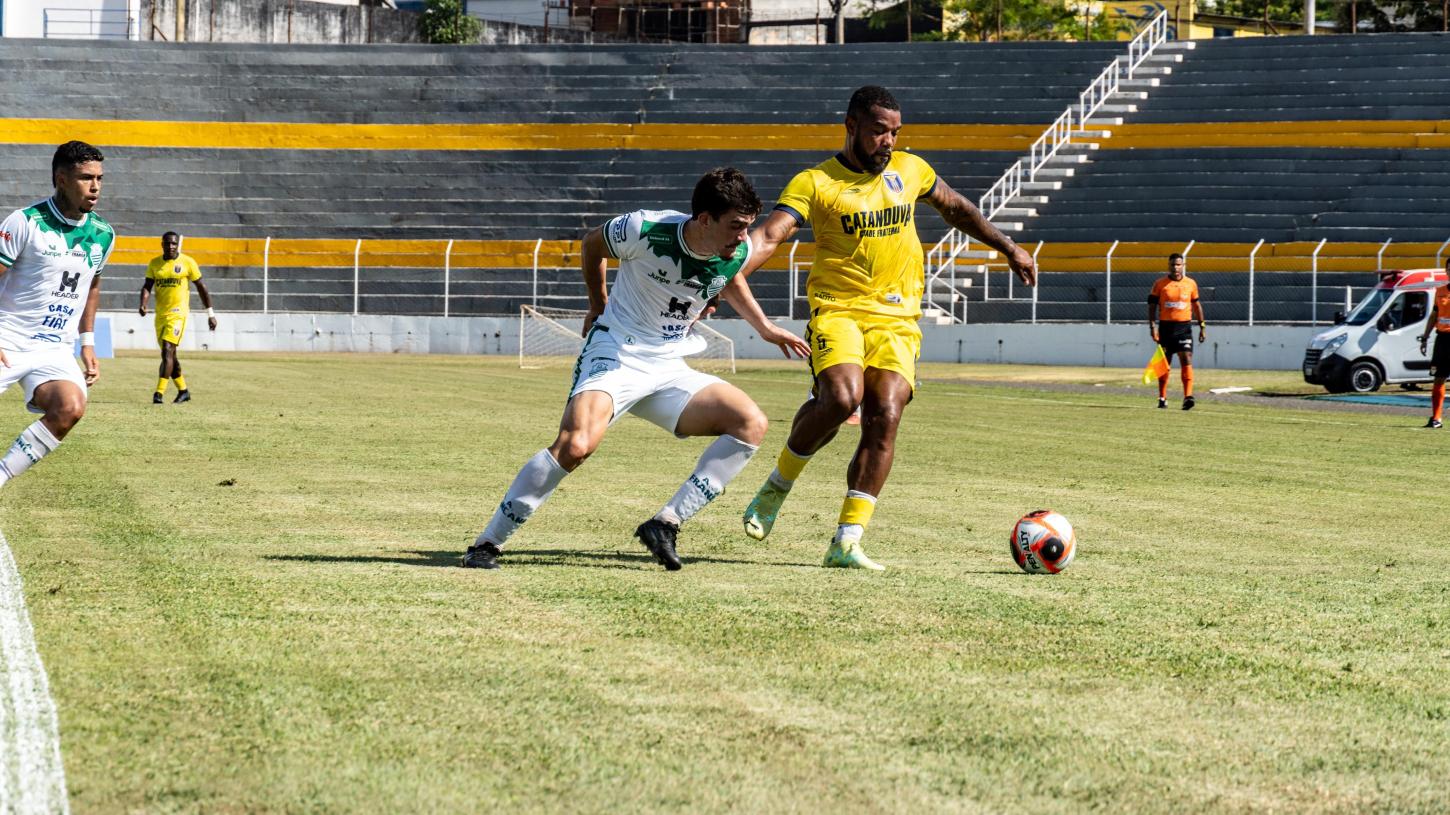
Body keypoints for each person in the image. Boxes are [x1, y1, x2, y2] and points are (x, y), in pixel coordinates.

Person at [735, 85, 1036, 571]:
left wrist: (1009, 247)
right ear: (851, 126)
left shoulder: (910, 170)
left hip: (898, 317)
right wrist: (718, 280)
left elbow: (956, 208)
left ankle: (847, 541)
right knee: (840, 398)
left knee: (886, 413)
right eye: (878, 131)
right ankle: (776, 488)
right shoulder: (815, 183)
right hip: (838, 310)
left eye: (895, 132)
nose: (888, 141)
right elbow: (770, 236)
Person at [462, 168, 810, 571]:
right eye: (735, 226)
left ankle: (665, 523)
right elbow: (593, 244)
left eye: (747, 227)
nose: (742, 236)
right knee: (576, 445)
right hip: (617, 352)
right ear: (704, 220)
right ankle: (487, 544)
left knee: (750, 423)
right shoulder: (644, 228)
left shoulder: (735, 249)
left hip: (668, 364)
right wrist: (598, 302)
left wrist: (764, 328)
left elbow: (729, 276)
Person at [0, 141, 113, 488]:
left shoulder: (103, 234)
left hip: (53, 348)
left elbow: (91, 284)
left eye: (99, 178)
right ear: (61, 179)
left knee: (70, 407)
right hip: (7, 338)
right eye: (85, 178)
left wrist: (88, 342)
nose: (95, 187)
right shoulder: (25, 222)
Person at [139, 232, 217, 403]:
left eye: (174, 244)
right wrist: (143, 303)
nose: (171, 246)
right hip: (161, 315)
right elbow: (147, 286)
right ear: (162, 245)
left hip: (178, 314)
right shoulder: (154, 264)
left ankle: (158, 394)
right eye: (167, 244)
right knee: (170, 356)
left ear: (177, 245)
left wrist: (210, 314)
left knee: (167, 349)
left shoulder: (187, 262)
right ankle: (184, 391)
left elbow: (201, 287)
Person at [1147, 253, 1206, 410]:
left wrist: (1202, 325)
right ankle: (1162, 397)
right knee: (1164, 364)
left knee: (1186, 357)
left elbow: (1196, 305)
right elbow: (1152, 307)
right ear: (1169, 266)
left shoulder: (1191, 284)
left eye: (1178, 264)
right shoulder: (1160, 284)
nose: (1175, 267)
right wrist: (1152, 327)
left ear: (1183, 265)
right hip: (1165, 328)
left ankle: (1188, 397)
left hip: (1184, 327)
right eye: (1173, 264)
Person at [1417, 267, 1450, 429]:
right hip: (1443, 339)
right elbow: (1434, 315)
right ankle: (1436, 418)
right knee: (1439, 377)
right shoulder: (1440, 291)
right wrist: (1425, 337)